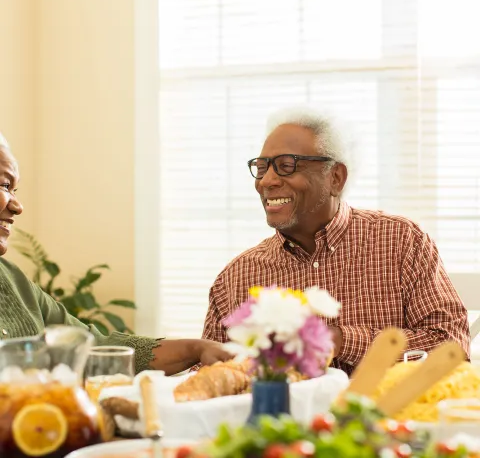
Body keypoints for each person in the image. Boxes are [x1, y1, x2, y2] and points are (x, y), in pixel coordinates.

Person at [201, 106, 470, 376]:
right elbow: (210, 381)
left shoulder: (402, 242)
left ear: (336, 178)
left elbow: (452, 349)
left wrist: (341, 341)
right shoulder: (236, 277)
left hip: (387, 415)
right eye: (261, 168)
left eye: (286, 166)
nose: (266, 181)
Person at [0, 139, 231, 375]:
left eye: (14, 190)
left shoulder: (12, 281)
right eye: (5, 185)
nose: (18, 206)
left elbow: (95, 348)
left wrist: (197, 348)